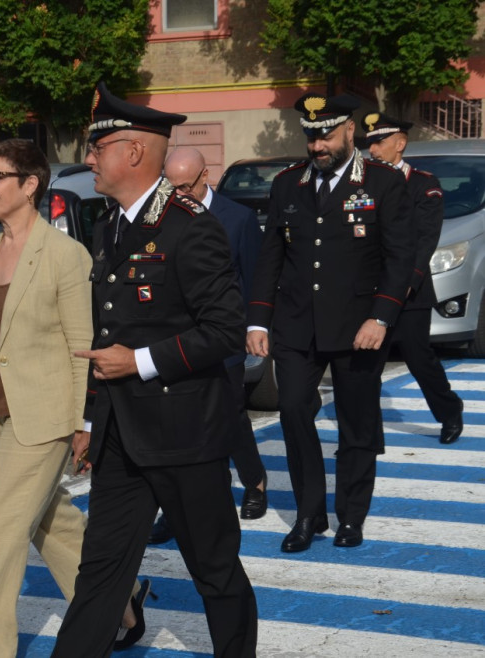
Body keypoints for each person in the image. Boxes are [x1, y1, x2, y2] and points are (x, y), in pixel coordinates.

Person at [51, 82, 257, 658]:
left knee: (215, 570)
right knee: (101, 571)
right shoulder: (108, 225)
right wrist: (89, 421)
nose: (89, 158)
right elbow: (107, 334)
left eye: (98, 148)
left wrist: (139, 362)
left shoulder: (191, 225)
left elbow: (225, 329)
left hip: (184, 433)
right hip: (122, 434)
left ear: (135, 152)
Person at [0, 138, 146, 657]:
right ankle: (119, 599)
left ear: (30, 184)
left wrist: (85, 422)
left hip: (44, 416)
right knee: (50, 522)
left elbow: (84, 346)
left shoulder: (64, 254)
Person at [246, 94, 415, 552]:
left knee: (356, 423)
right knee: (293, 411)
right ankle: (309, 513)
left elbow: (400, 259)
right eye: (310, 136)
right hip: (297, 324)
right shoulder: (288, 184)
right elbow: (271, 256)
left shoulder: (382, 182)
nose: (316, 145)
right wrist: (258, 320)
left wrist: (381, 316)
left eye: (325, 136)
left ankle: (351, 515)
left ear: (349, 131)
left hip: (360, 327)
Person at [148, 146, 268, 545]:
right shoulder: (161, 215)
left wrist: (253, 327)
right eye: (172, 187)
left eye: (186, 186)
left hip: (224, 337)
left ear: (205, 177)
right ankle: (179, 508)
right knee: (179, 423)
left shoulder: (238, 218)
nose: (179, 194)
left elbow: (254, 278)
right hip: (178, 338)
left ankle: (255, 482)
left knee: (230, 414)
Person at [365, 113, 464, 445]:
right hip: (370, 289)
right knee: (366, 365)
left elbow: (425, 240)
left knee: (418, 358)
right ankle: (364, 435)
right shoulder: (363, 184)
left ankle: (449, 410)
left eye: (379, 142)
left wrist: (407, 282)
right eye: (370, 144)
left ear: (400, 143)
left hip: (410, 291)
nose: (373, 150)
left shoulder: (423, 184)